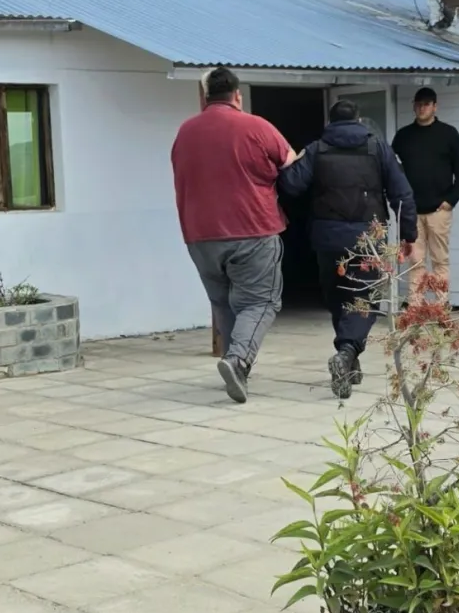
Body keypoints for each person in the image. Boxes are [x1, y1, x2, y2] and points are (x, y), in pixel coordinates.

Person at [171, 66, 296, 404]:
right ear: (237, 96)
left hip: (199, 235)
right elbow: (291, 163)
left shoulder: (185, 131)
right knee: (261, 301)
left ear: (204, 98)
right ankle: (237, 361)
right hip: (251, 229)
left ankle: (235, 365)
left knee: (223, 303)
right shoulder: (255, 126)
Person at [279, 99, 417, 399]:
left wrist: (294, 160)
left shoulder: (317, 149)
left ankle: (349, 360)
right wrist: (409, 233)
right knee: (364, 300)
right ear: (358, 119)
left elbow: (290, 185)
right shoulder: (377, 148)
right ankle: (346, 352)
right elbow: (401, 192)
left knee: (339, 298)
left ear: (330, 121)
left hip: (327, 237)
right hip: (368, 237)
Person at [391, 87, 459, 301]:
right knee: (415, 262)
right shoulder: (403, 136)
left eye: (426, 104)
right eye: (418, 104)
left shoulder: (448, 134)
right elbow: (392, 170)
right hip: (411, 210)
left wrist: (450, 201)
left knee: (439, 261)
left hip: (438, 210)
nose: (421, 108)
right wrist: (398, 201)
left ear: (435, 106)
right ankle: (415, 311)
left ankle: (440, 307)